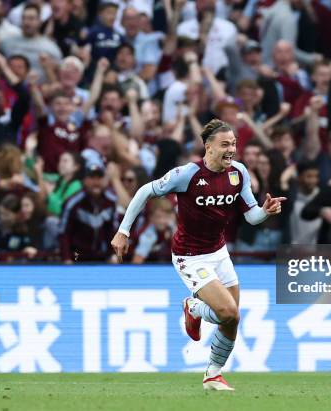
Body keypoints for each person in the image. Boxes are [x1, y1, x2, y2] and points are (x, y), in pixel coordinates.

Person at [110, 119, 285, 390]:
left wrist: (266, 211)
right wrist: (123, 231)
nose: (232, 150)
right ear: (208, 146)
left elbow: (251, 216)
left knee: (231, 318)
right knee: (229, 312)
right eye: (225, 144)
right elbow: (146, 190)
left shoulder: (238, 173)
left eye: (234, 144)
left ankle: (213, 374)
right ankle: (192, 307)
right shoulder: (187, 174)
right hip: (190, 256)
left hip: (219, 252)